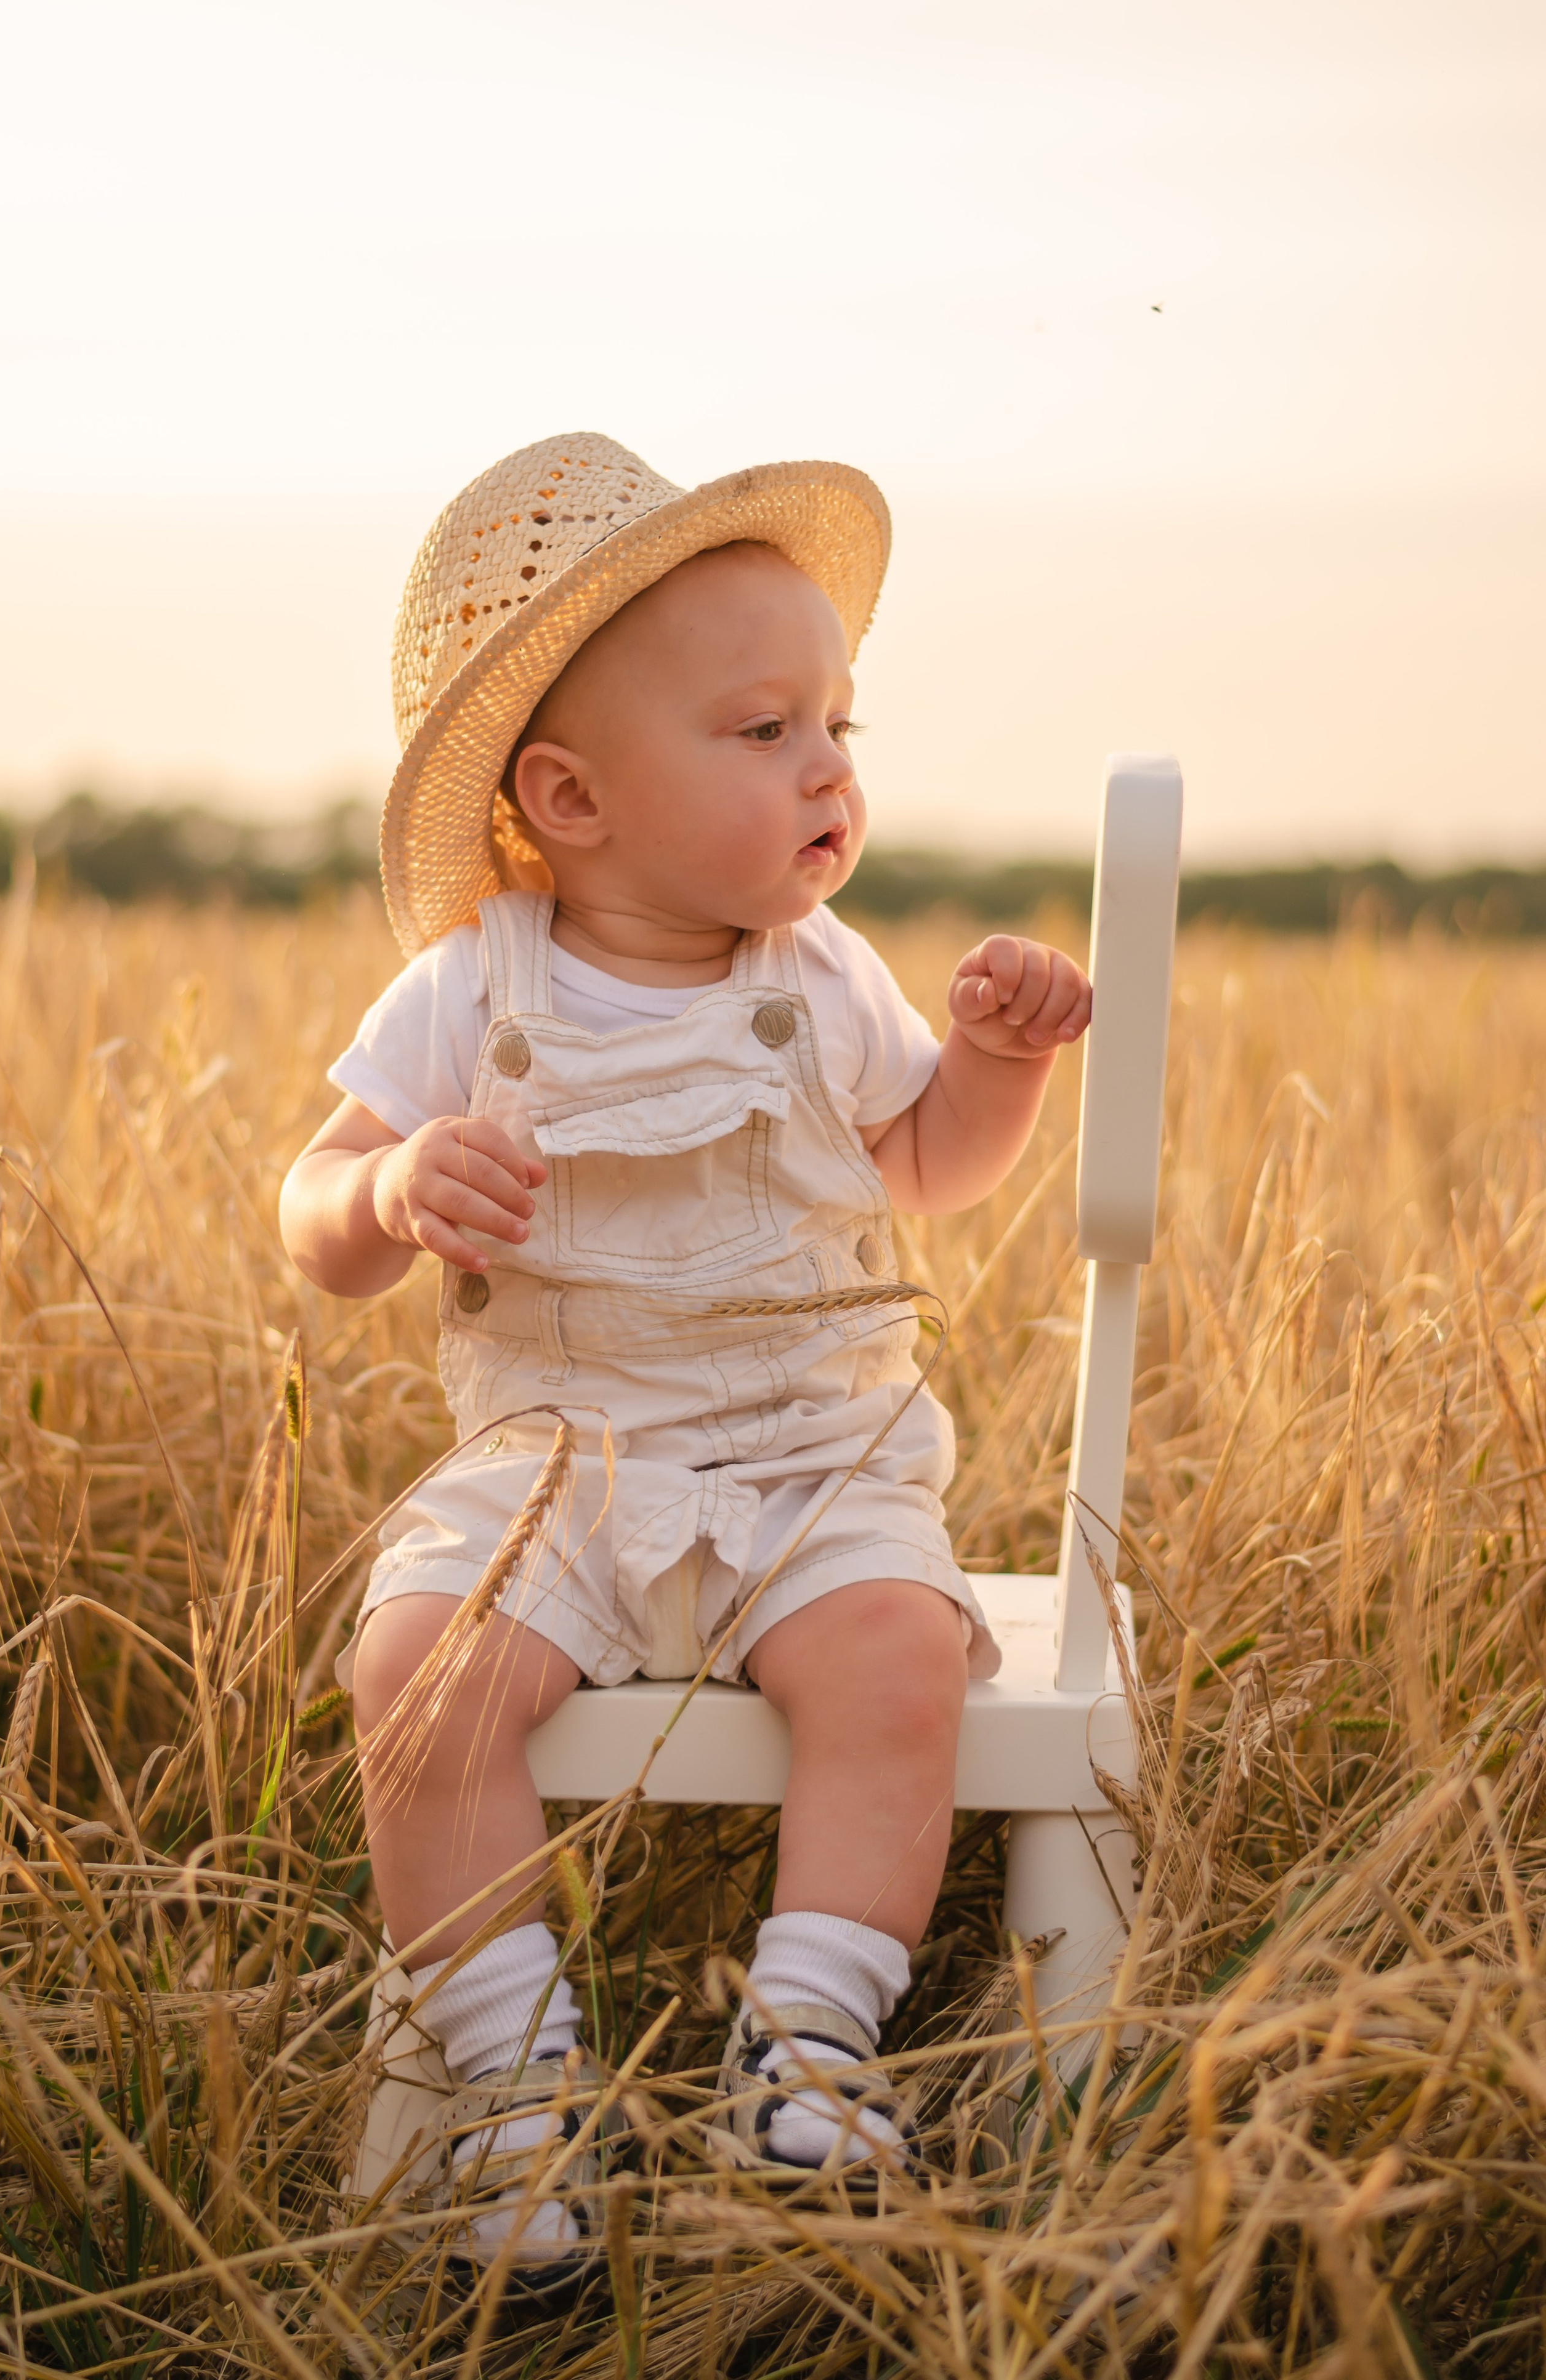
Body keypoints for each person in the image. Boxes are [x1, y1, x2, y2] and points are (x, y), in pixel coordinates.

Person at [280, 433, 1090, 2273]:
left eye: (841, 726)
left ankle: (806, 2040)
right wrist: (392, 1183)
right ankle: (517, 2081)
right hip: (559, 1454)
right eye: (762, 729)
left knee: (897, 1654)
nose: (826, 765)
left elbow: (924, 1167)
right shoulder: (476, 986)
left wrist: (999, 1070)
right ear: (569, 796)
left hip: (815, 1450)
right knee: (424, 1669)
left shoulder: (823, 978)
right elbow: (306, 1216)